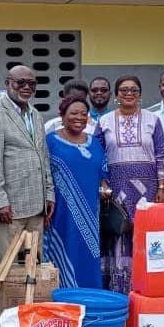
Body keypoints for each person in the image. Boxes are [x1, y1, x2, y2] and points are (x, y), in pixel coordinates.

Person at [95, 75, 164, 293]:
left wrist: (162, 187)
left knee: (144, 233)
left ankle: (145, 288)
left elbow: (161, 154)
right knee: (118, 233)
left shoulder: (152, 120)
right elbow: (97, 155)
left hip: (148, 187)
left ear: (140, 94)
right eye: (124, 90)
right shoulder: (104, 121)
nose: (129, 94)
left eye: (134, 90)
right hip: (117, 188)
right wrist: (103, 181)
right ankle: (118, 289)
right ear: (116, 95)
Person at [0, 65, 54, 264]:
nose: (26, 87)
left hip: (37, 206)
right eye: (20, 82)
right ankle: (4, 298)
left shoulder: (36, 115)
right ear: (7, 84)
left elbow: (43, 156)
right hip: (9, 209)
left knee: (33, 266)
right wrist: (0, 202)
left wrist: (49, 194)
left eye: (32, 84)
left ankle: (30, 298)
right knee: (6, 268)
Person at [44, 96, 107, 288]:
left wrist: (104, 186)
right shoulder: (50, 141)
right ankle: (63, 299)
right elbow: (42, 173)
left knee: (88, 254)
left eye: (83, 114)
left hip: (90, 212)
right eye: (73, 113)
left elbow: (103, 171)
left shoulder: (94, 142)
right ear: (62, 115)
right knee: (63, 252)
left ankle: (89, 299)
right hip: (59, 213)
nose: (79, 117)